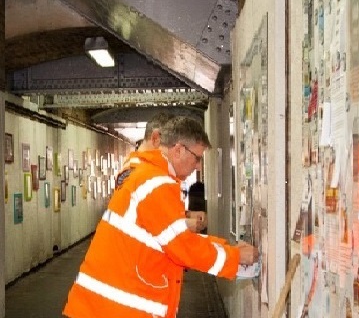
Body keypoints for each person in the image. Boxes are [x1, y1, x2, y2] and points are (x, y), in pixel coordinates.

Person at [63, 117, 259, 318]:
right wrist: (235, 258)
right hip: (113, 310)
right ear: (179, 150)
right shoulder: (157, 184)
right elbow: (183, 247)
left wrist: (228, 249)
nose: (199, 166)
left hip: (103, 308)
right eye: (197, 158)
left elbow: (176, 239)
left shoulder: (149, 176)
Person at [118, 113, 207, 233]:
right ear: (155, 139)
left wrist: (187, 215)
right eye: (169, 143)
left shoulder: (147, 170)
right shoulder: (136, 173)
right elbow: (145, 225)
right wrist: (184, 224)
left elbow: (153, 210)